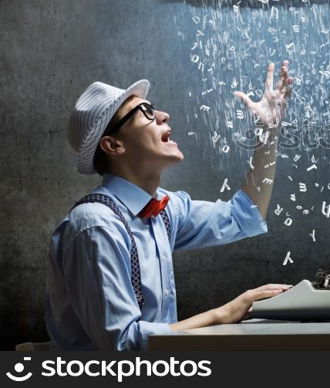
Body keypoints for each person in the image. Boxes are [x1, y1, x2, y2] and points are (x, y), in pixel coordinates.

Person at [45, 61, 294, 350]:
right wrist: (224, 313)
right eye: (147, 113)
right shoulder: (96, 226)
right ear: (113, 146)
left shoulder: (165, 208)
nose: (164, 115)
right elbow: (122, 346)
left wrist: (268, 132)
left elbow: (242, 217)